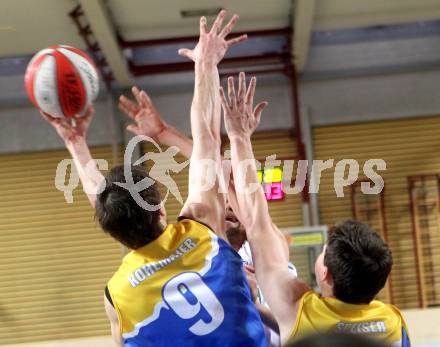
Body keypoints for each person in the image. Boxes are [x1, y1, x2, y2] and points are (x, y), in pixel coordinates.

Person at [42, 11, 268, 347]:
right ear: (160, 206)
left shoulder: (116, 295)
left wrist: (75, 144)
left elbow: (108, 206)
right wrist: (205, 64)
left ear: (110, 230)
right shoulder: (202, 229)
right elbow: (206, 133)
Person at [221, 72, 411, 346]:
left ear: (325, 274)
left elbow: (257, 223)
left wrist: (239, 137)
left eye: (324, 252)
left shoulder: (299, 309)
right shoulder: (393, 322)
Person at [119, 85, 293, 347]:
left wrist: (166, 134)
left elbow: (221, 169)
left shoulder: (266, 250)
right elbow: (214, 167)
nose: (230, 207)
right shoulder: (197, 257)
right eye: (225, 204)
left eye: (235, 202)